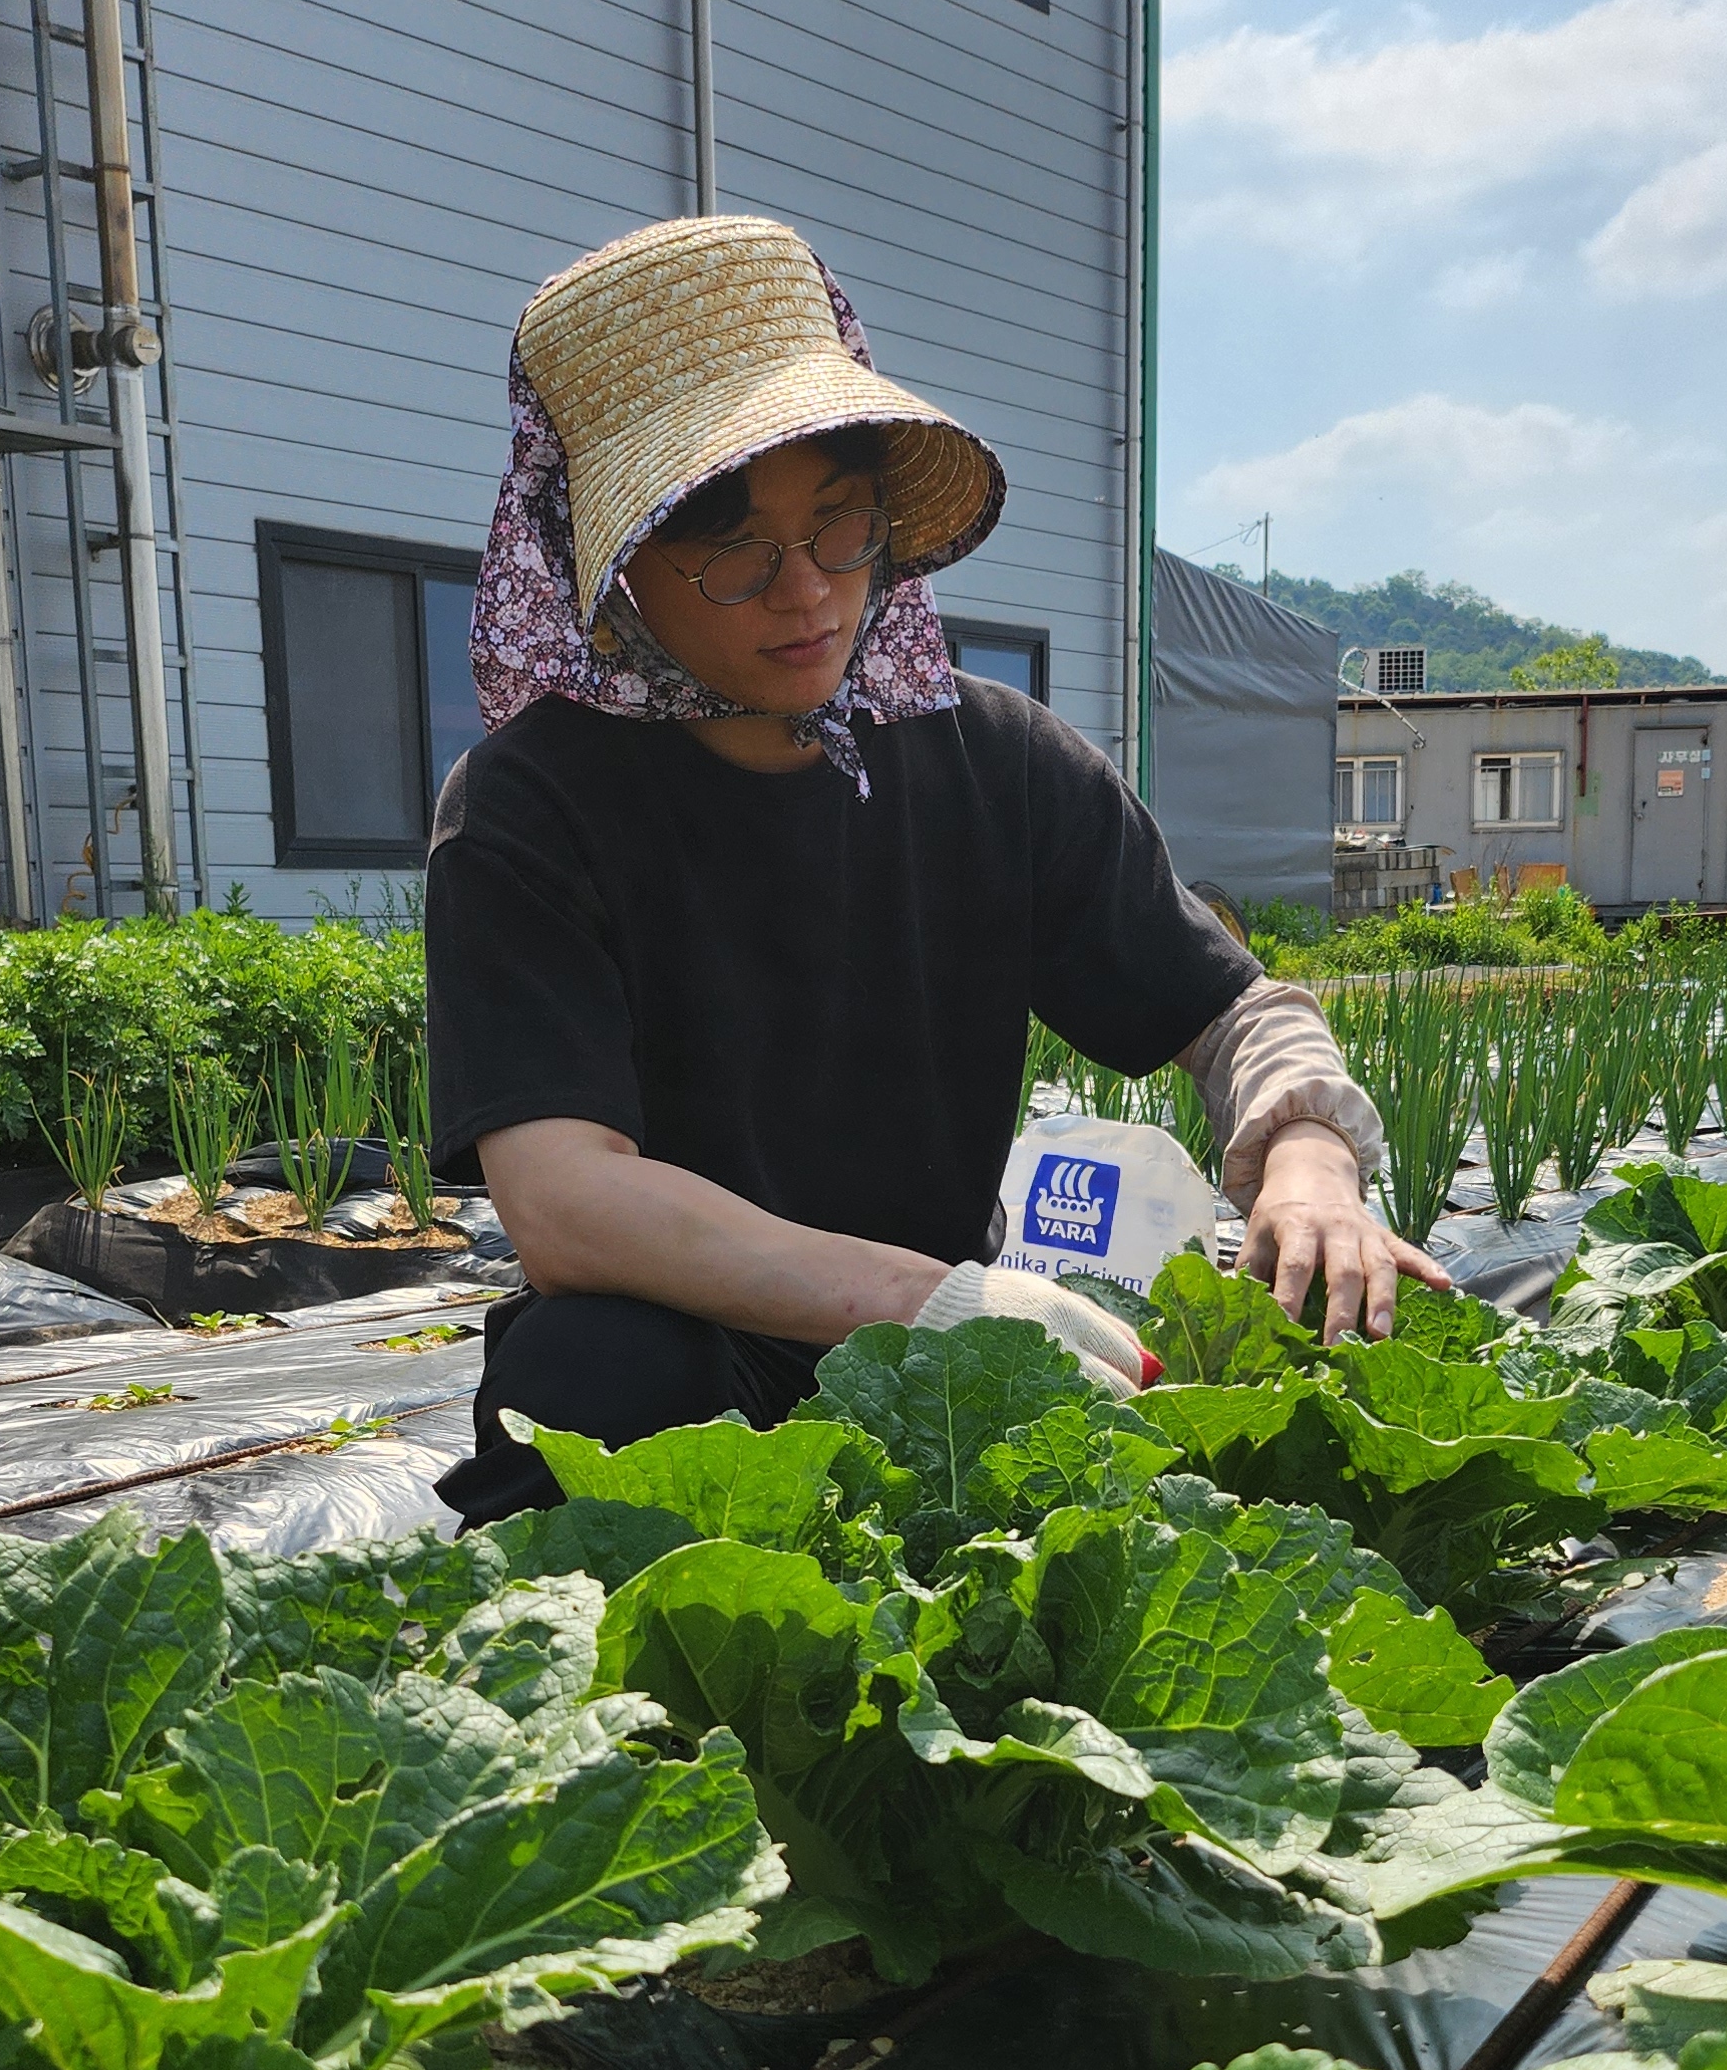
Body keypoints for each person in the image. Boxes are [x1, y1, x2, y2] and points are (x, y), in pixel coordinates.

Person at [425, 215, 1430, 1522]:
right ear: (612, 570)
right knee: (585, 1377)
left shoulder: (994, 761)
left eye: (840, 528)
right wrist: (937, 1300)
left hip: (940, 1372)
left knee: (1335, 1335)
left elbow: (1230, 1008)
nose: (807, 593)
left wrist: (1306, 1154)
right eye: (734, 549)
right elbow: (567, 1203)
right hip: (712, 1335)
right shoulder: (533, 803)